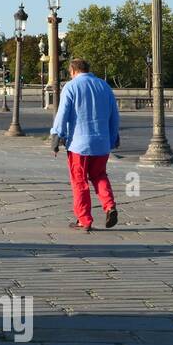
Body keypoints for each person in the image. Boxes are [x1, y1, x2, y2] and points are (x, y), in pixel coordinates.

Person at [49, 58, 120, 232]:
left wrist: (56, 135)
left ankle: (84, 219)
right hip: (102, 143)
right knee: (100, 176)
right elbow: (114, 115)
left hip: (79, 145)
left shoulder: (71, 87)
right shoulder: (105, 86)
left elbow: (62, 113)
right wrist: (113, 136)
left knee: (79, 181)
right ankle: (109, 206)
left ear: (73, 71)